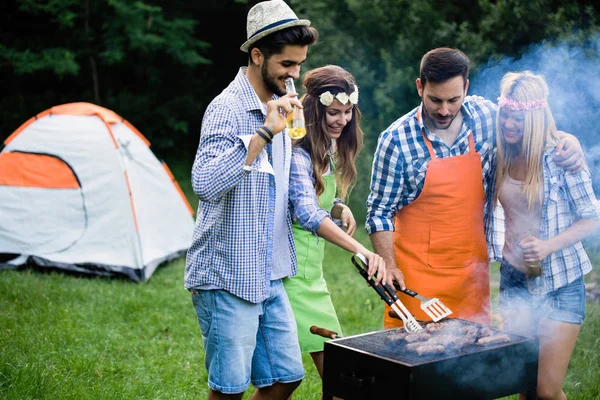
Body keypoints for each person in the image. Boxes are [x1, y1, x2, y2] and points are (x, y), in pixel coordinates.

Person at [366, 47, 586, 329]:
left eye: (453, 99)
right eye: (435, 100)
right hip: (416, 281)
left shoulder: (486, 117)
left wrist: (568, 140)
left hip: (471, 278)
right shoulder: (396, 140)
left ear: (466, 88)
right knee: (413, 362)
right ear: (420, 87)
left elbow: (530, 126)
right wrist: (390, 265)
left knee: (470, 366)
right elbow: (379, 211)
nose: (444, 110)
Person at [184, 1, 318, 399]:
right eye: (287, 64)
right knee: (229, 390)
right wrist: (263, 134)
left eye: (299, 64)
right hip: (227, 274)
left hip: (268, 270)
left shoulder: (284, 99)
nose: (295, 75)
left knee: (286, 377)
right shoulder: (226, 109)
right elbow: (204, 183)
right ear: (257, 55)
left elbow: (288, 177)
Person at [493, 71, 600, 400]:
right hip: (513, 280)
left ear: (537, 117)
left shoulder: (561, 158)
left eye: (519, 118)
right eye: (506, 115)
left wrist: (547, 246)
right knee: (524, 385)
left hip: (560, 284)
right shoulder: (498, 153)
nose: (510, 124)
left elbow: (592, 218)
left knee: (546, 390)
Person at [283, 65, 386, 380]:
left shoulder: (325, 150)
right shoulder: (298, 153)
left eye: (347, 112)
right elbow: (306, 212)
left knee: (326, 377)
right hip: (288, 278)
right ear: (316, 111)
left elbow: (315, 198)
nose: (342, 119)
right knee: (293, 378)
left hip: (312, 277)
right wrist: (362, 250)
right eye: (334, 113)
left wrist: (339, 206)